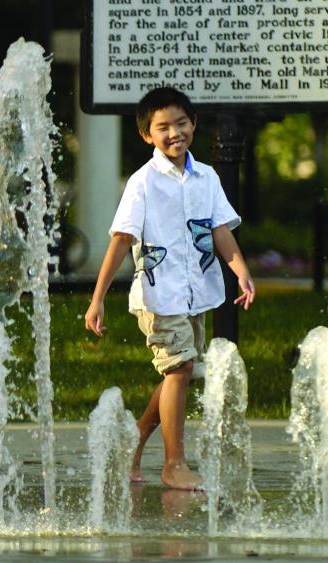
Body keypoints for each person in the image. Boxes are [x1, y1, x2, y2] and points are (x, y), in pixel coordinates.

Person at [83, 86, 255, 491]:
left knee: (181, 369)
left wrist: (241, 270)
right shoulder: (143, 183)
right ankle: (174, 463)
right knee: (178, 368)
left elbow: (220, 231)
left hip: (195, 293)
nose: (174, 132)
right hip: (159, 296)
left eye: (181, 123)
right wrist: (97, 299)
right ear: (147, 135)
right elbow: (121, 239)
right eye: (163, 127)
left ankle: (136, 437)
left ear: (194, 124)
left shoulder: (207, 178)